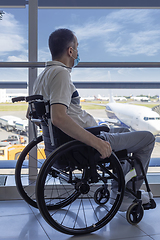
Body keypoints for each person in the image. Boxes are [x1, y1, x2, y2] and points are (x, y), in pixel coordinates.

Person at [31, 28, 155, 211]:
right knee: (147, 139)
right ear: (70, 51)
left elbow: (33, 115)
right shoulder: (61, 74)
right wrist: (97, 142)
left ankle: (122, 187)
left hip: (71, 139)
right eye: (77, 48)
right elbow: (58, 117)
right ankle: (125, 195)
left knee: (126, 134)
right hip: (85, 140)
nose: (78, 53)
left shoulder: (42, 76)